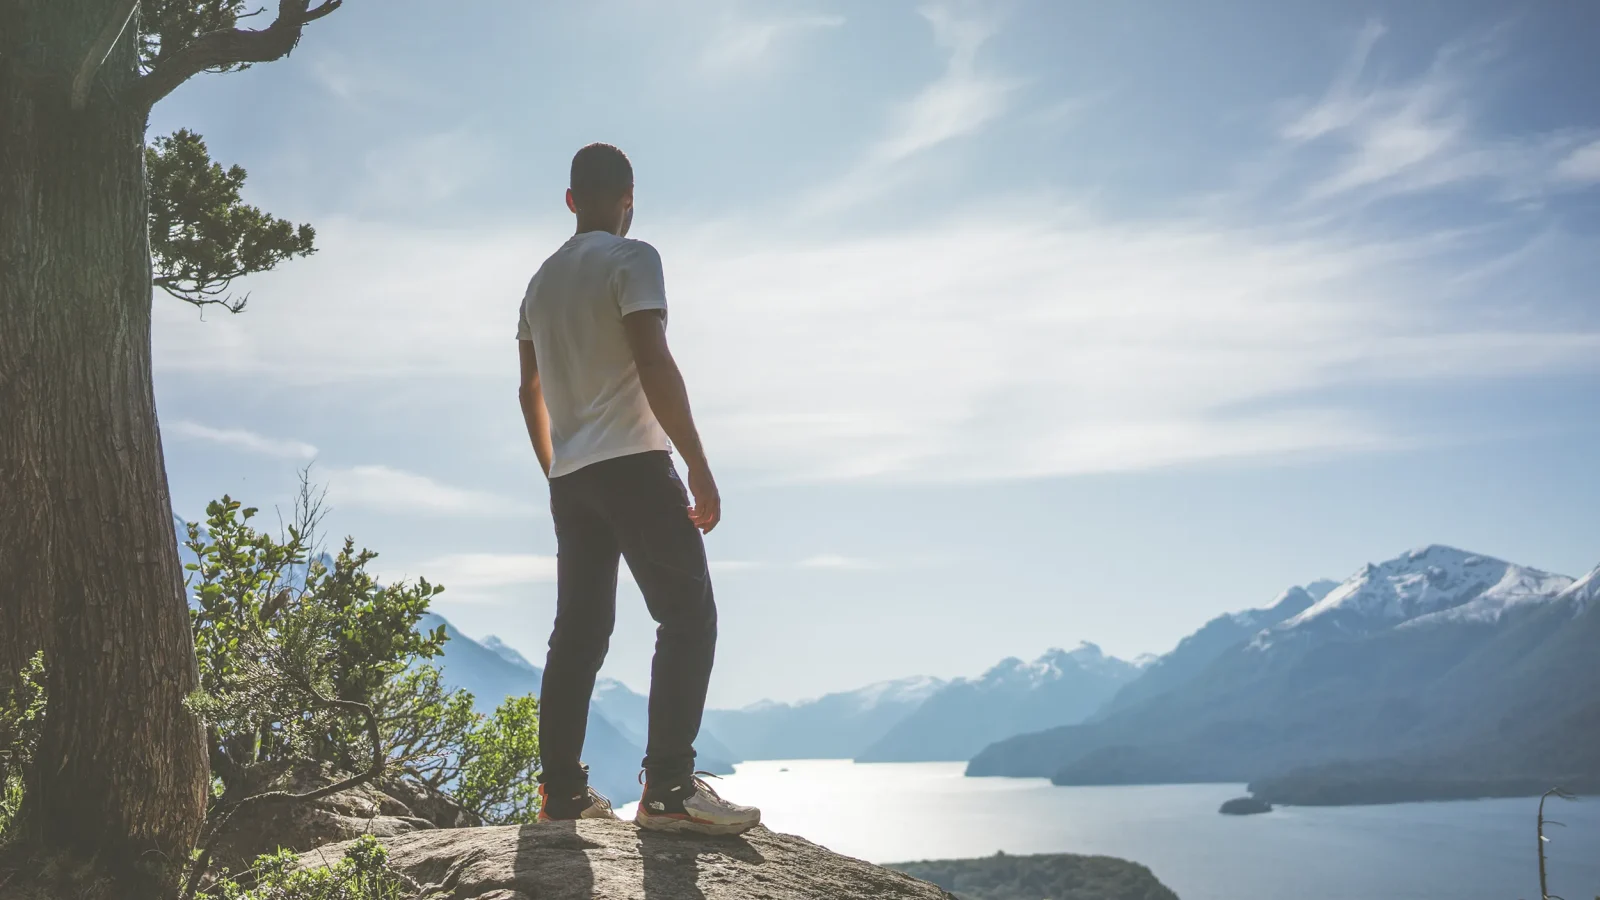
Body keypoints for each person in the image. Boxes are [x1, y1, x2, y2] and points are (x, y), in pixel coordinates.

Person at [515, 142, 761, 835]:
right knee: (687, 616)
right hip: (635, 464)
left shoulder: (537, 284)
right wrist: (699, 462)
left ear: (569, 200)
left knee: (580, 633)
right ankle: (670, 791)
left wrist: (555, 466)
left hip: (574, 479)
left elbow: (528, 387)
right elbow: (652, 356)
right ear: (629, 198)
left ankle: (561, 795)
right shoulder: (633, 259)